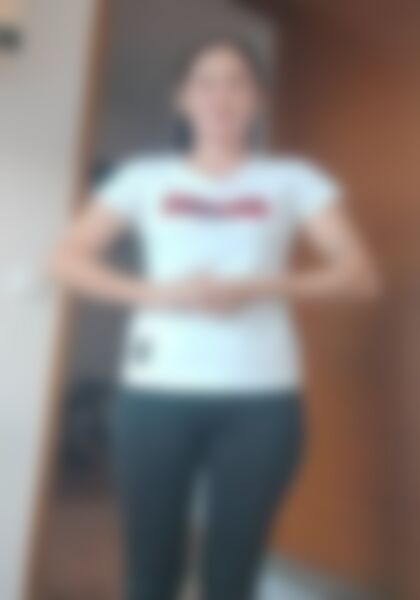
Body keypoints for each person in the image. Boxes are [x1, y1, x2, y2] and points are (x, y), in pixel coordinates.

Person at [49, 36, 379, 600]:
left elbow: (360, 275)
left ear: (259, 98)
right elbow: (65, 260)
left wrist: (261, 286)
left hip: (262, 401)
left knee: (233, 574)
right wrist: (159, 293)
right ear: (181, 97)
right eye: (205, 82)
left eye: (237, 83)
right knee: (150, 571)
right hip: (154, 396)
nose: (220, 96)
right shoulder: (143, 178)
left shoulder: (294, 180)